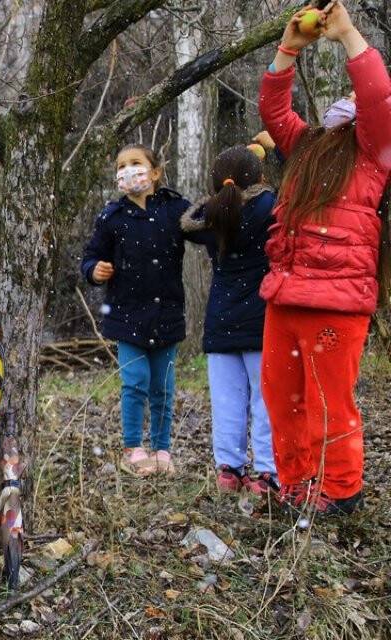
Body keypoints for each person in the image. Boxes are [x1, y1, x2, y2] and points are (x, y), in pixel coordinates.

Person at [256, 0, 388, 516]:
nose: (349, 100)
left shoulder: (376, 150)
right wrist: (288, 49)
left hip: (337, 300)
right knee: (281, 399)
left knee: (328, 403)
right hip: (285, 294)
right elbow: (273, 111)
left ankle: (340, 490)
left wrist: (348, 35)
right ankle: (296, 484)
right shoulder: (309, 145)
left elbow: (378, 94)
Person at [80, 144, 191, 476]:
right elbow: (90, 255)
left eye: (136, 163)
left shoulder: (175, 209)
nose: (128, 170)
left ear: (155, 172)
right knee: (135, 381)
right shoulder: (112, 217)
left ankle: (162, 450)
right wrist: (93, 269)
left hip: (167, 313)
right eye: (121, 165)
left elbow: (204, 228)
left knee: (163, 386)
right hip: (126, 315)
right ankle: (133, 447)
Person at [181, 146, 278, 496]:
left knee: (227, 402)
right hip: (262, 322)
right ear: (261, 179)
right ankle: (267, 473)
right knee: (265, 402)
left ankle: (228, 469)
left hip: (221, 321)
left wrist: (216, 193)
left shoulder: (213, 216)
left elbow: (188, 220)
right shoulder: (271, 210)